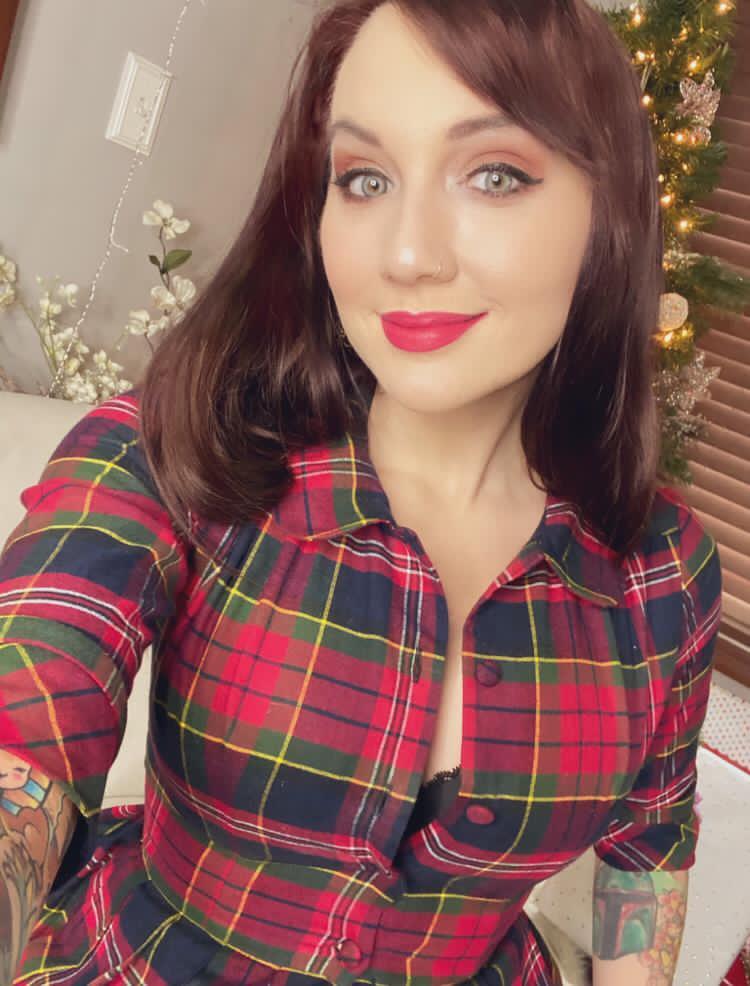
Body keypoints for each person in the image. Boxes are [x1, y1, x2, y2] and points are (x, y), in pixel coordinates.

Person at [0, 0, 723, 984]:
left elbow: (645, 857)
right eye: (365, 178)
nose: (407, 255)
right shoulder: (180, 452)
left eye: (493, 174)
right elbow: (32, 707)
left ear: (611, 212)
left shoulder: (662, 569)